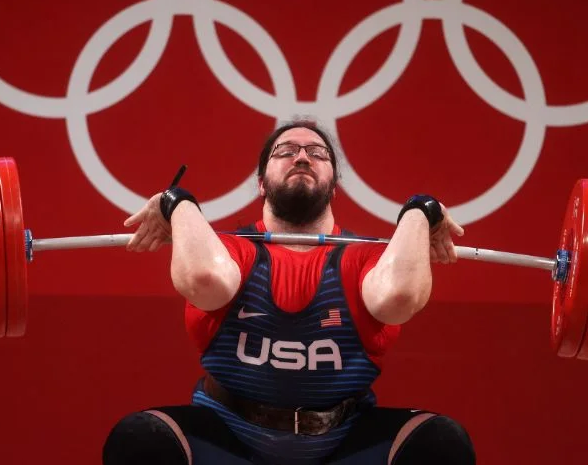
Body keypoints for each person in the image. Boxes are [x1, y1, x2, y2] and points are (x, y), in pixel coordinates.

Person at [102, 119, 476, 464]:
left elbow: (399, 300)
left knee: (441, 443)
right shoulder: (234, 249)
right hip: (229, 435)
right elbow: (205, 282)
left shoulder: (364, 257)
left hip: (344, 441)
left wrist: (419, 210)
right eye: (285, 152)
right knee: (140, 439)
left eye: (317, 154)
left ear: (333, 183)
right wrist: (178, 202)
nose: (301, 157)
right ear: (262, 182)